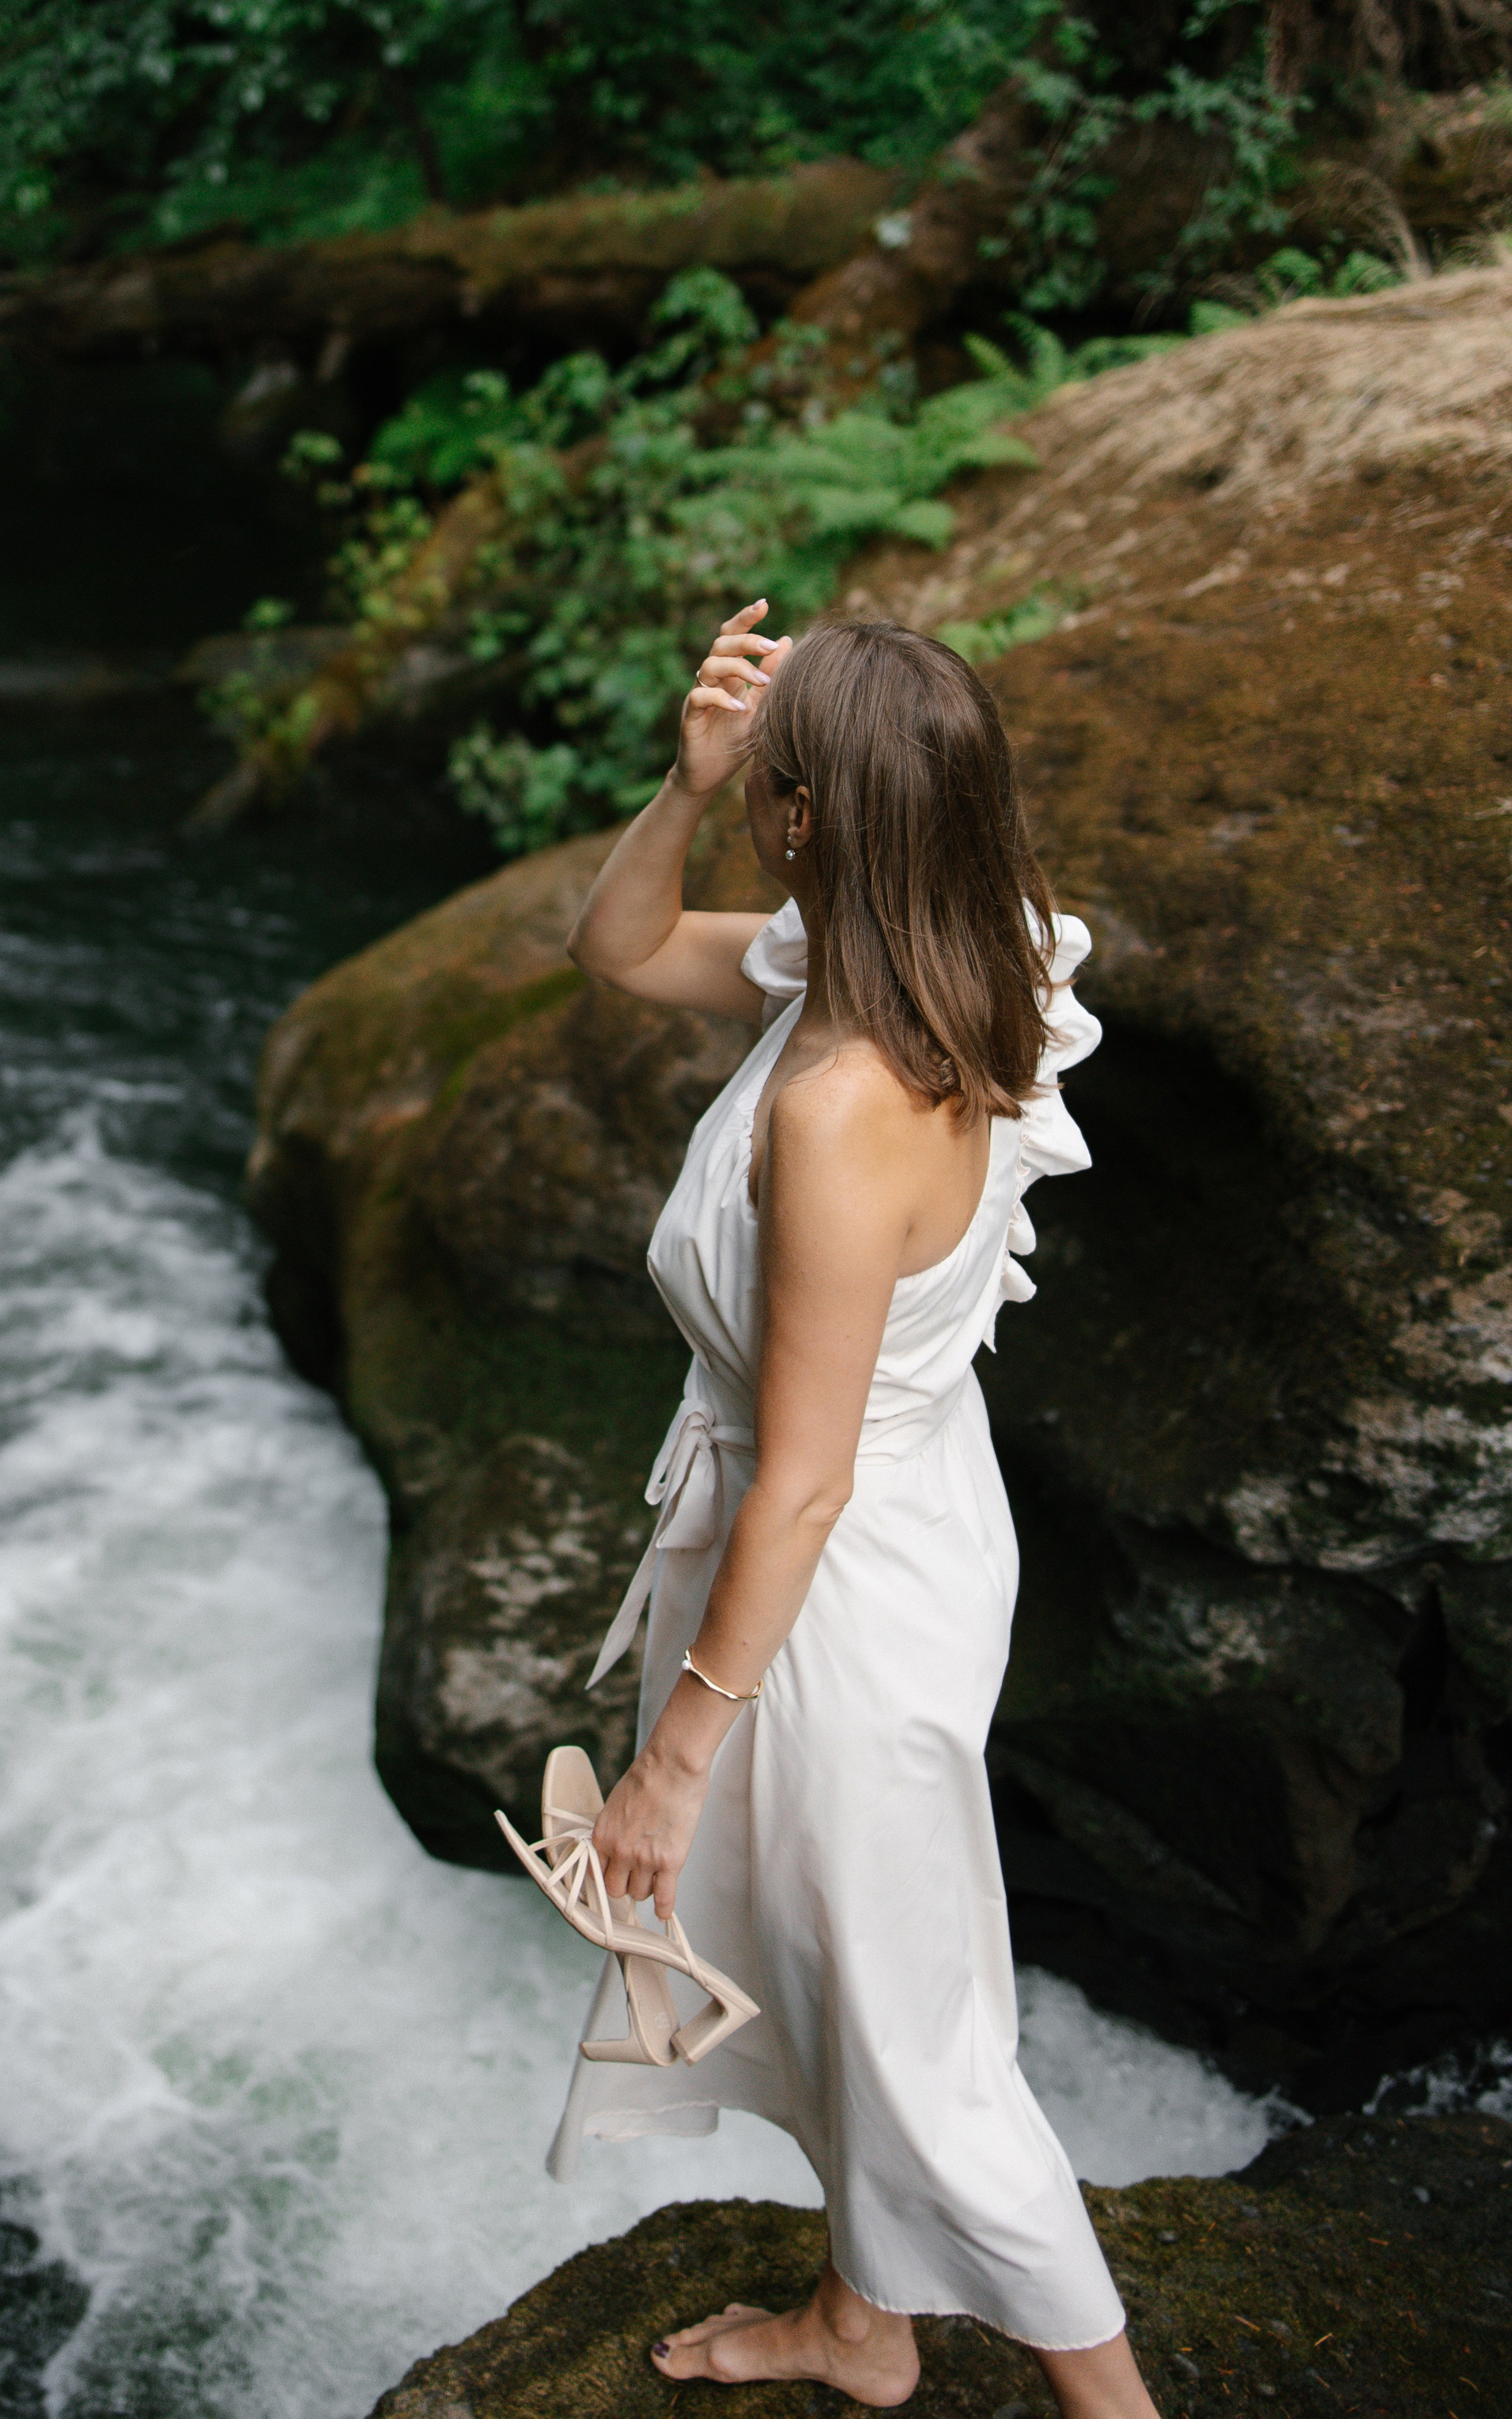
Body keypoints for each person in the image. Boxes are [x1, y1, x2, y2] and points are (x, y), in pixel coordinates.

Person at [555, 605, 1160, 2418]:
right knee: (845, 1969)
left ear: (810, 817)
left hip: (830, 1591)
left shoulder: (833, 1107)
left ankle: (1111, 2402)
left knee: (924, 2046)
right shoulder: (962, 957)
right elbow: (620, 947)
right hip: (905, 1522)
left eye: (764, 776)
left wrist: (670, 1758)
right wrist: (683, 782)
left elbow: (800, 1477)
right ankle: (862, 2318)